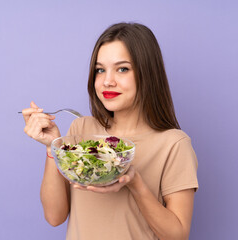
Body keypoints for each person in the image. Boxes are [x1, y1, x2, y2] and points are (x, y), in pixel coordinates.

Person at [22, 22, 198, 240]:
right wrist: (53, 146)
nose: (107, 81)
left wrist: (135, 184)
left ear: (147, 73)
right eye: (100, 70)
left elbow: (178, 235)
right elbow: (54, 216)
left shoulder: (173, 144)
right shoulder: (81, 131)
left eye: (122, 69)